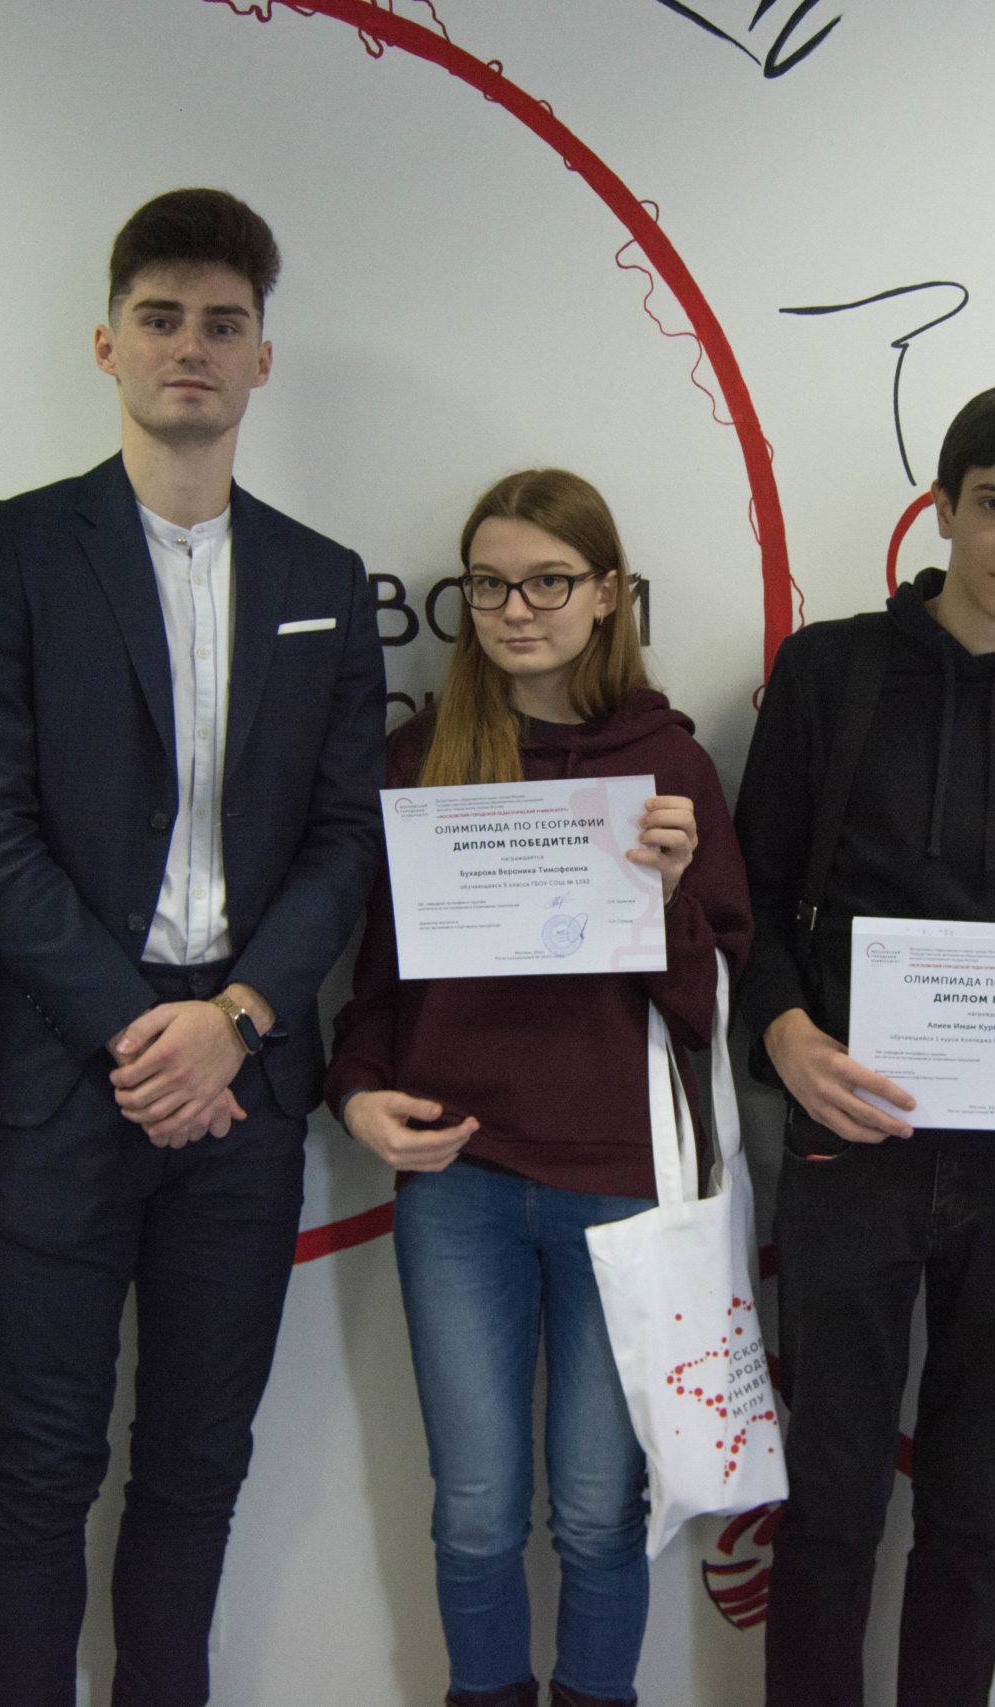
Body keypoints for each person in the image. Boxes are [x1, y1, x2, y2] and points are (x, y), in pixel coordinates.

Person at [0, 188, 385, 1705]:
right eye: (162, 318)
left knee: (198, 1461)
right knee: (40, 1461)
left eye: (223, 323)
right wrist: (144, 1032)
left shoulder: (324, 578)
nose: (191, 346)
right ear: (107, 342)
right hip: (71, 1070)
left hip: (243, 1078)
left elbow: (346, 835)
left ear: (263, 357)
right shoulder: (10, 548)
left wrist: (235, 1019)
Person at [732, 381, 995, 1706]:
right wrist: (785, 1037)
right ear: (944, 508)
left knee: (973, 1503)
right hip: (850, 1138)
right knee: (832, 1496)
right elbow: (751, 895)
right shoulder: (831, 670)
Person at [325, 468, 752, 1707]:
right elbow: (375, 984)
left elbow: (711, 1011)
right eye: (491, 585)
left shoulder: (670, 765)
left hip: (621, 1190)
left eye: (549, 582)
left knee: (598, 1512)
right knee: (473, 1510)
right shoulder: (421, 758)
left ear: (608, 593)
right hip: (458, 1184)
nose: (516, 609)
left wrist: (668, 901)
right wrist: (356, 1094)